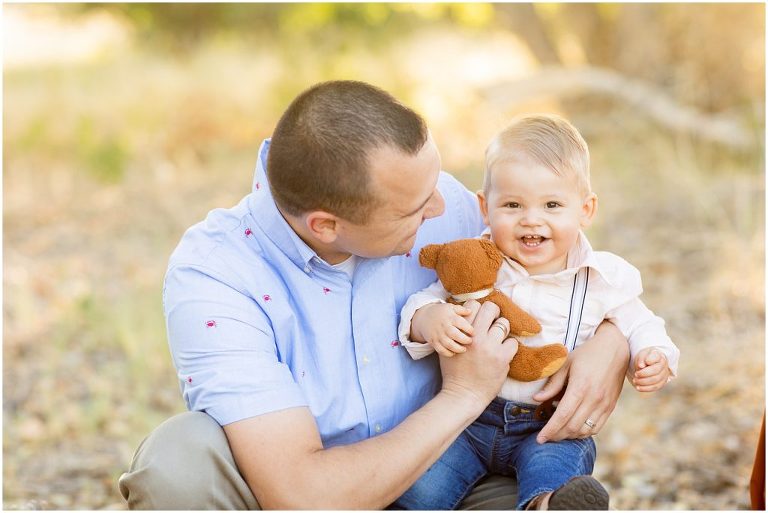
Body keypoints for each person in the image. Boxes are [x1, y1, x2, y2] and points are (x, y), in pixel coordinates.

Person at [118, 81, 632, 510]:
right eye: (414, 209)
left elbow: (558, 258)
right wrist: (464, 395)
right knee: (180, 458)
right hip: (297, 499)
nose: (442, 206)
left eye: (437, 183)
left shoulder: (440, 201)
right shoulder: (215, 274)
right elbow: (301, 494)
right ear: (326, 225)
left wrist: (612, 342)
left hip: (447, 479)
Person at [394, 114, 681, 510]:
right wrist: (429, 320)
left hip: (549, 426)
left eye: (551, 204)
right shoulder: (477, 262)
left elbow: (641, 324)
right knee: (424, 485)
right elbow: (423, 300)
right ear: (484, 206)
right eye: (512, 204)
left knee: (555, 467)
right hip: (469, 421)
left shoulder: (603, 277)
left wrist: (654, 356)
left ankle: (546, 504)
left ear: (585, 209)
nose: (532, 219)